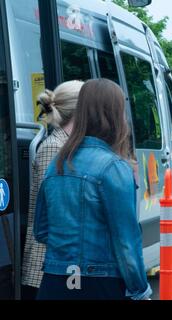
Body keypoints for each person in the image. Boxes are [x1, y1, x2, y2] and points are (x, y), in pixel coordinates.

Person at [34, 78, 151, 300]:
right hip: (99, 284)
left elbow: (41, 230)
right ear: (116, 114)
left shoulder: (57, 162)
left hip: (55, 281)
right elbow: (126, 242)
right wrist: (141, 291)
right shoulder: (113, 167)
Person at [21, 80, 84, 300]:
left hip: (60, 264)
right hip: (46, 267)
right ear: (80, 111)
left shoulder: (68, 145)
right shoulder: (54, 148)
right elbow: (53, 215)